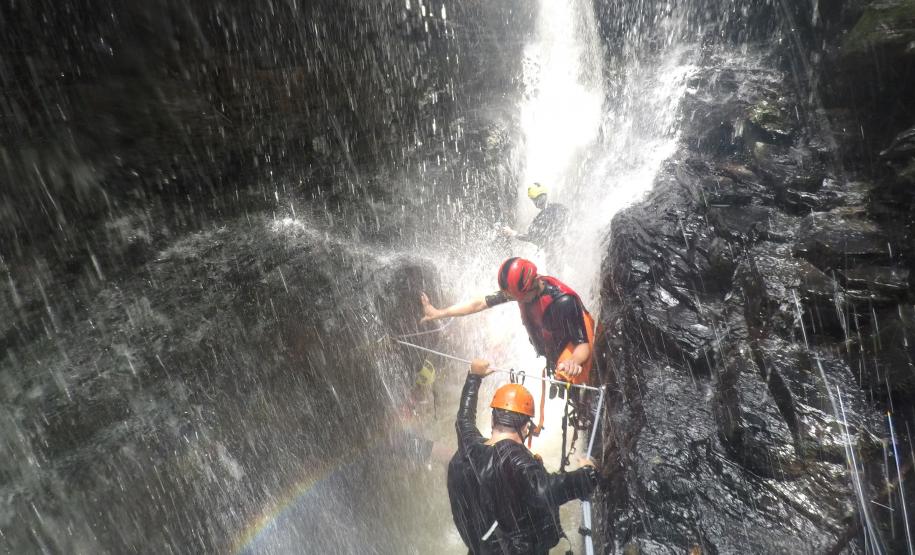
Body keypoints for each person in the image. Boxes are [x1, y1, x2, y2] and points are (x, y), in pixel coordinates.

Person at [451, 358, 598, 555]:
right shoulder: (517, 461)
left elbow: (463, 419)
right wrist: (588, 473)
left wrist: (473, 376)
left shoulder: (469, 448)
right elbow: (548, 489)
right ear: (526, 427)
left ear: (493, 418)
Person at [420, 257, 594, 385]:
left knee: (581, 384)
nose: (514, 299)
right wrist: (438, 313)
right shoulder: (521, 291)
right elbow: (479, 303)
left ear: (533, 284)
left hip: (573, 356)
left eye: (517, 297)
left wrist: (574, 361)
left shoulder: (563, 301)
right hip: (554, 353)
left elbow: (583, 344)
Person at [500, 183, 569, 265]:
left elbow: (531, 237)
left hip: (553, 254)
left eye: (534, 200)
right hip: (565, 249)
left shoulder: (540, 219)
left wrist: (512, 232)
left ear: (536, 201)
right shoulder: (561, 208)